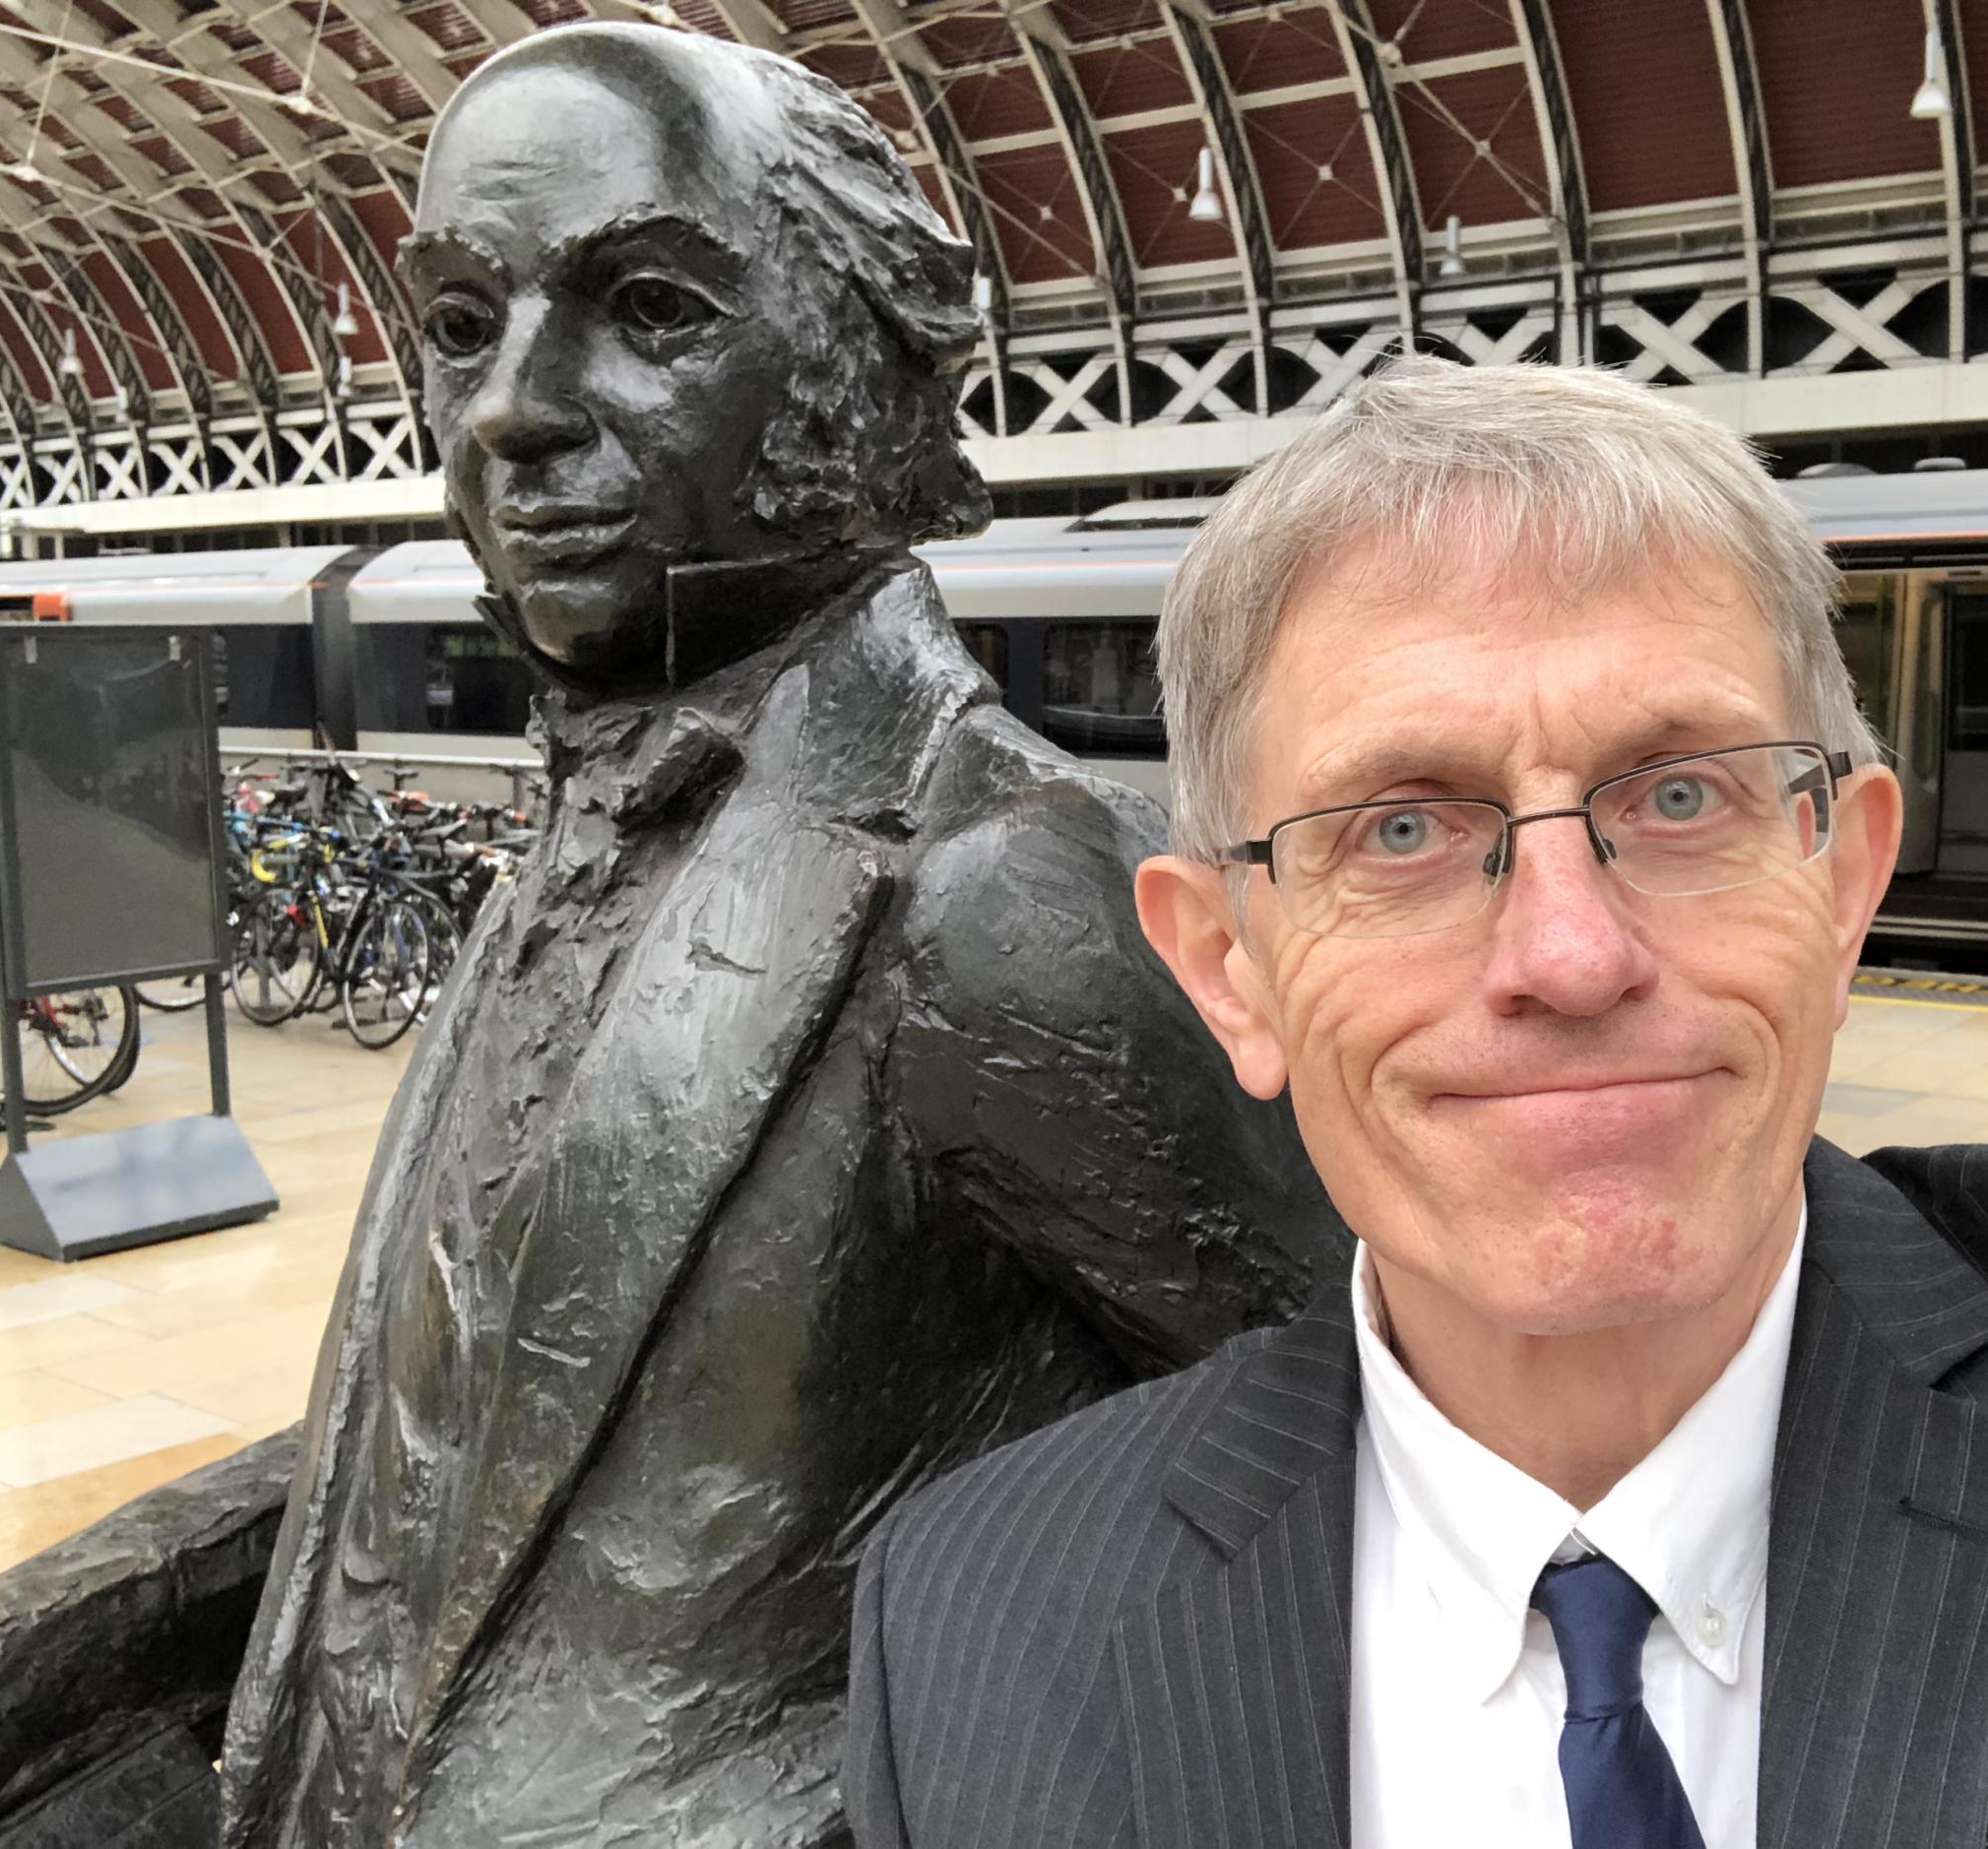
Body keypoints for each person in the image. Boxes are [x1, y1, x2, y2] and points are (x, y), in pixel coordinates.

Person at [844, 356, 1988, 1848]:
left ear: (1844, 879)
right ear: (1227, 971)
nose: (1570, 952)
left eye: (1683, 795)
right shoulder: (973, 1625)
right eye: (1400, 830)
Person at [218, 26, 1339, 1848]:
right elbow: (438, 1474)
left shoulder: (1000, 895)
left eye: (647, 308)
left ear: (852, 373)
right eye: (456, 324)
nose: (507, 404)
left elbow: (1365, 1490)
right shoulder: (548, 866)